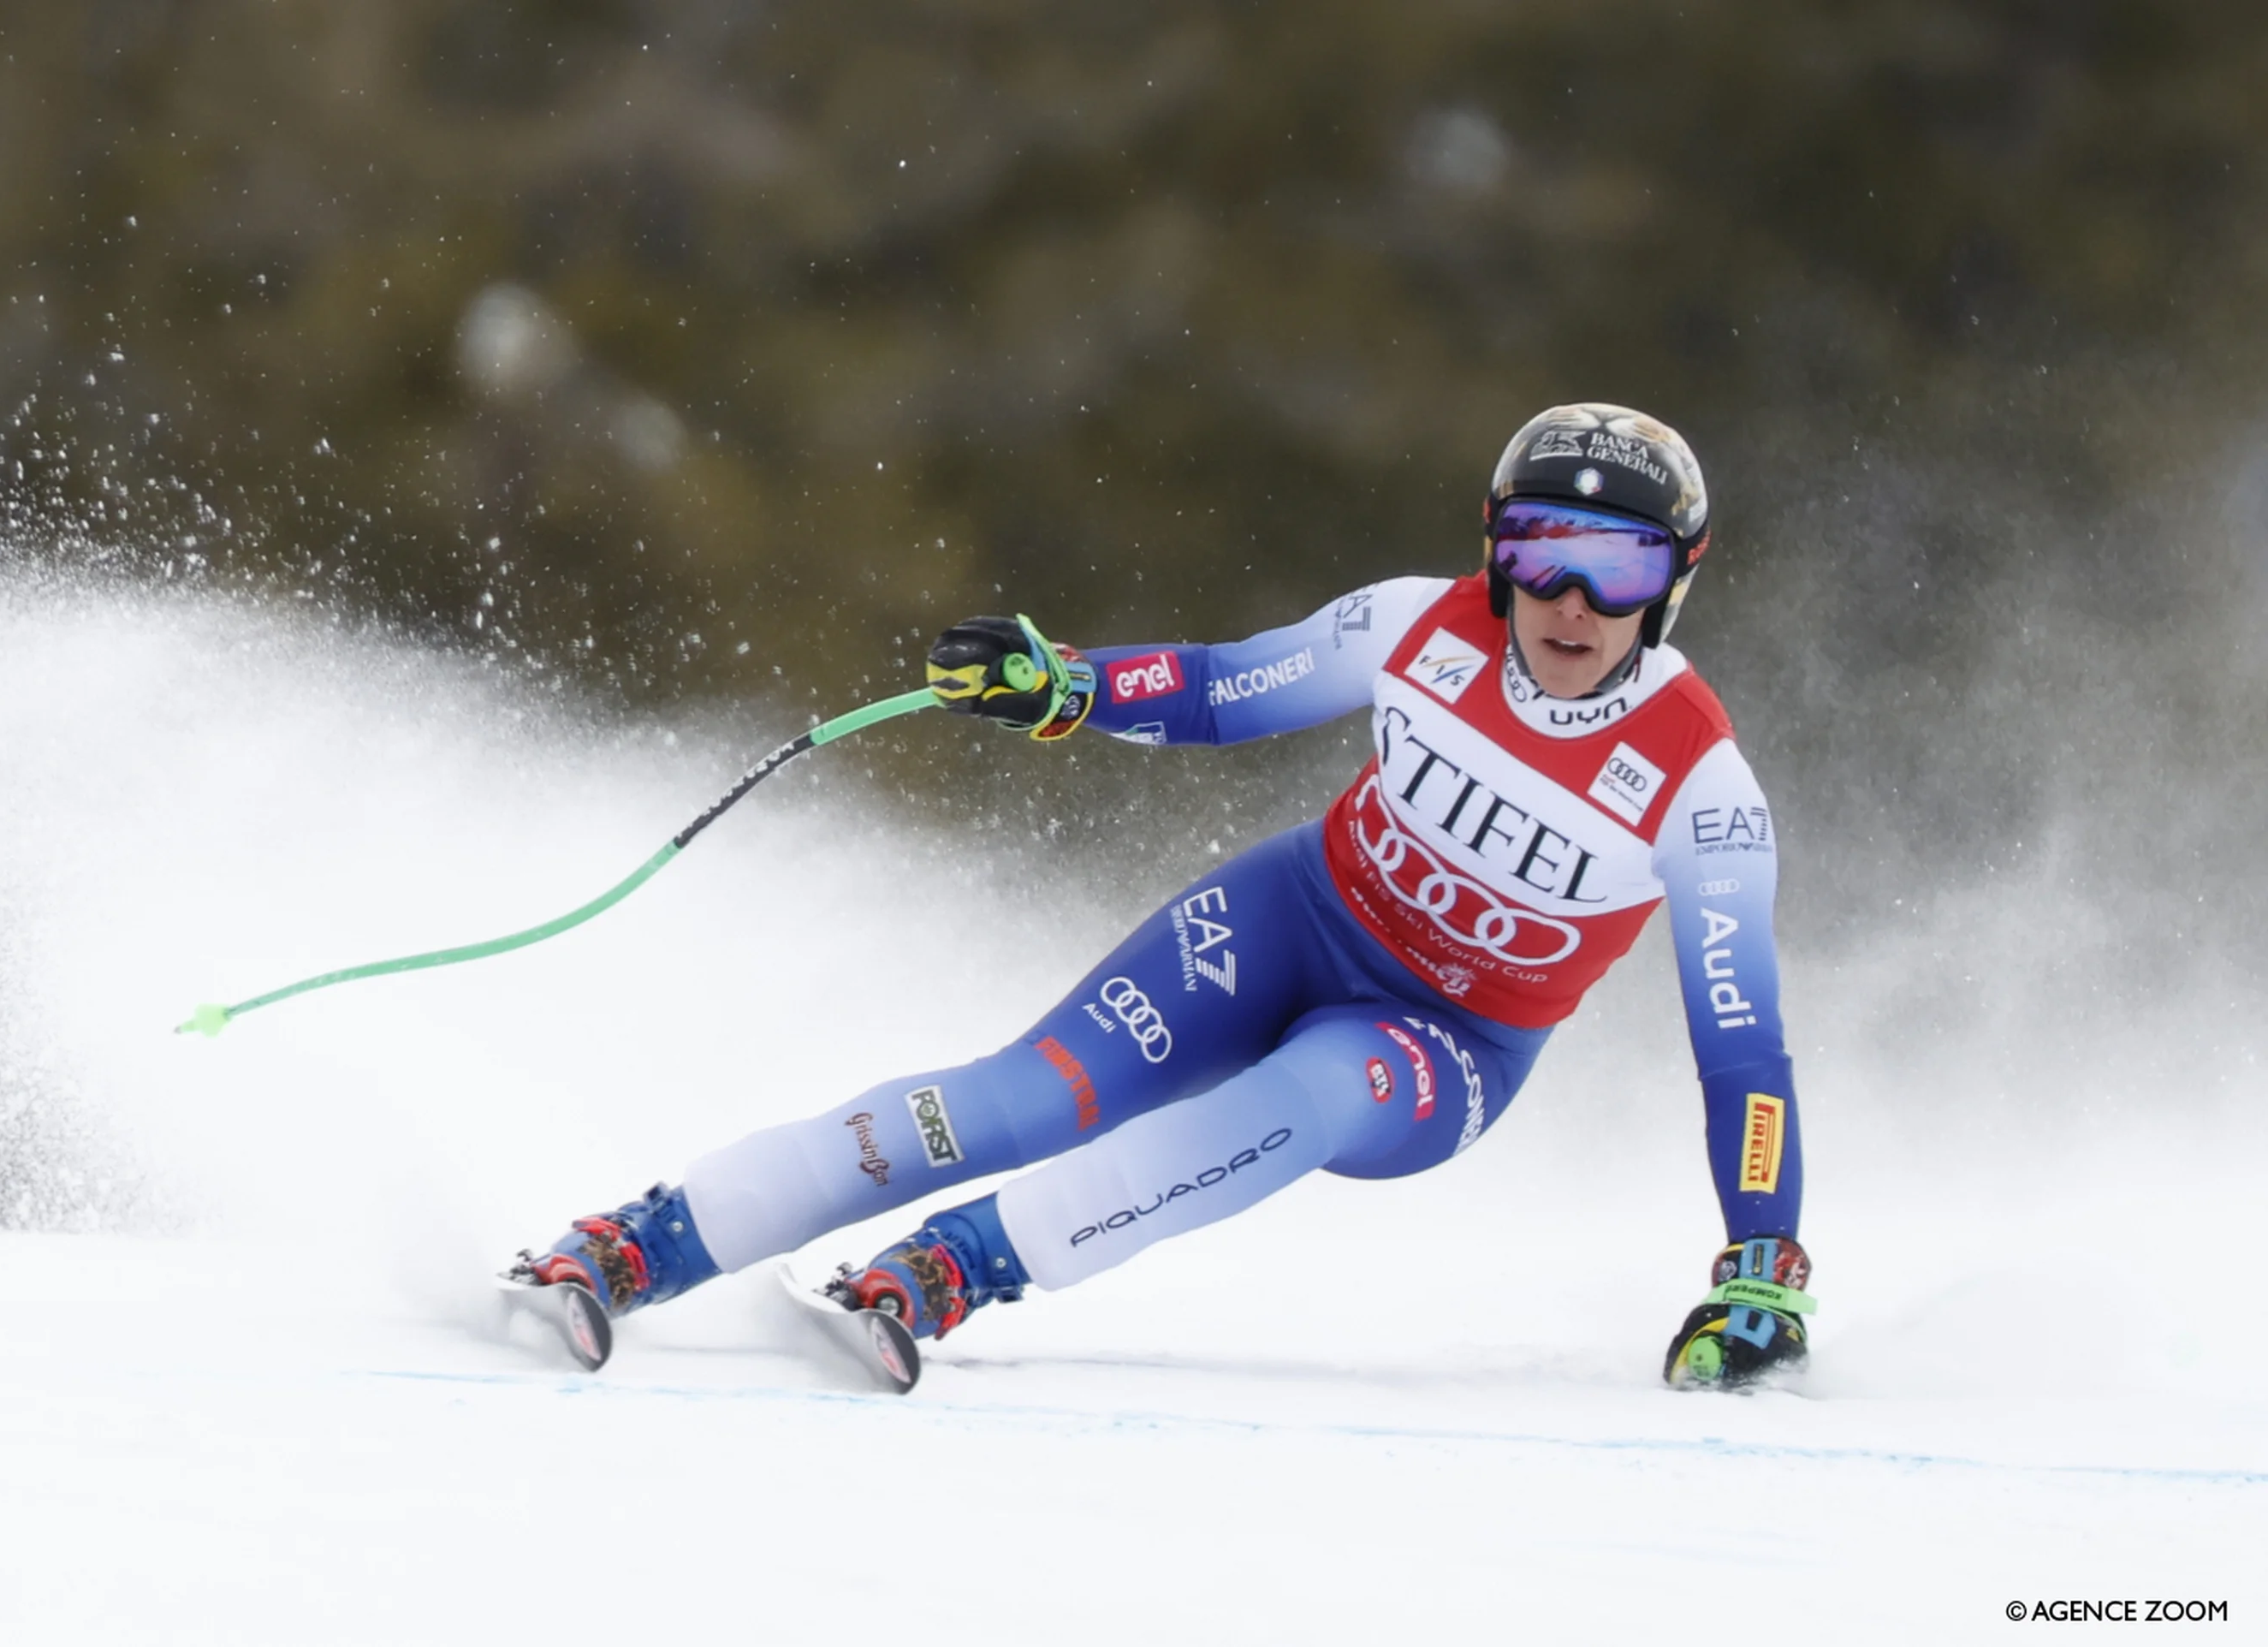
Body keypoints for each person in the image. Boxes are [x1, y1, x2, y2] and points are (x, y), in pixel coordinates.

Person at [516, 402, 1814, 1389]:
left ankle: (958, 1266)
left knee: (1299, 1099)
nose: (1573, 603)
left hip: (1444, 1046)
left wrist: (1764, 1257)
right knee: (1028, 1094)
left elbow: (1742, 1052)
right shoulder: (1419, 629)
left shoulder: (1700, 786)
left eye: (1621, 571)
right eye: (1539, 555)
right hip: (1295, 919)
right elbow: (1219, 685)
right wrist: (1067, 686)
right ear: (1494, 554)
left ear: (1675, 582)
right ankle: (646, 1243)